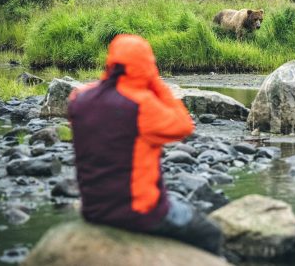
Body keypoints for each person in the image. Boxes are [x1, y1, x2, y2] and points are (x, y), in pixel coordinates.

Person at [68, 34, 223, 255]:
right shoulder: (141, 105)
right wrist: (156, 83)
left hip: (93, 210)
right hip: (138, 213)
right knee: (210, 233)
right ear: (146, 66)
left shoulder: (79, 99)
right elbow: (184, 126)